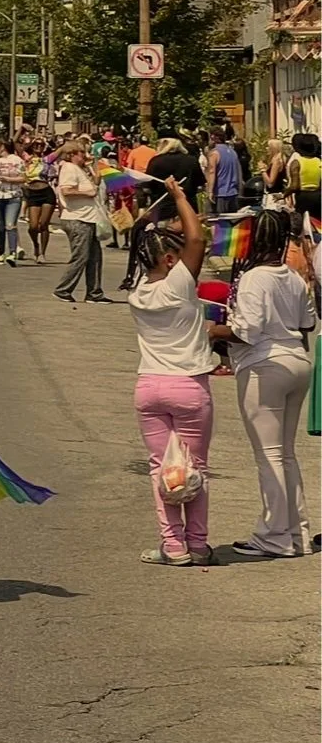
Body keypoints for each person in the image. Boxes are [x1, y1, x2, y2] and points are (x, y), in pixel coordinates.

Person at [210, 209, 315, 558]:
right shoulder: (293, 276)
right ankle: (296, 531)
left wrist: (210, 328)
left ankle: (274, 535)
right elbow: (307, 324)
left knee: (269, 456)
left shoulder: (255, 277)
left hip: (265, 365)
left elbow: (247, 331)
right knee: (284, 453)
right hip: (298, 363)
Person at [124, 179, 214, 565]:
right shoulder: (178, 285)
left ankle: (172, 545)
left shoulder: (139, 289)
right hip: (189, 385)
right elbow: (197, 241)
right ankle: (197, 543)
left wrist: (156, 219)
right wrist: (180, 197)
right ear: (170, 260)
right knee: (194, 468)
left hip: (149, 386)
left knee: (161, 469)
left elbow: (148, 236)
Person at [51, 143, 108, 305]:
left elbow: (96, 181)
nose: (85, 155)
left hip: (89, 218)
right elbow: (66, 191)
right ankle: (63, 289)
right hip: (77, 218)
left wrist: (93, 164)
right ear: (71, 154)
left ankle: (94, 292)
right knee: (81, 256)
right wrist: (87, 193)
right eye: (82, 153)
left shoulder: (80, 169)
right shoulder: (69, 168)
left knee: (95, 257)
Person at [0, 141, 25, 263]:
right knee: (0, 225)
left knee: (10, 224)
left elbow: (23, 178)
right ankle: (1, 252)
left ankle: (12, 253)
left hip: (13, 196)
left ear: (2, 147)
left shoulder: (17, 160)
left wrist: (8, 179)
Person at [21, 141, 55, 262]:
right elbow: (14, 141)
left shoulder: (47, 159)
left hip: (46, 192)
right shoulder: (26, 158)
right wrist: (22, 129)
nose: (38, 147)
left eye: (41, 145)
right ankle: (36, 245)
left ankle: (42, 254)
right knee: (33, 226)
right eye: (36, 144)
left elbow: (62, 150)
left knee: (44, 224)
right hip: (33, 193)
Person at [206, 126, 243, 217]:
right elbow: (238, 171)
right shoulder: (232, 152)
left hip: (220, 193)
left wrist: (210, 191)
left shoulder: (214, 153)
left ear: (213, 138)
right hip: (233, 192)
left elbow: (212, 172)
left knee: (218, 222)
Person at [288, 133, 322, 224]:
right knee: (318, 223)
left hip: (303, 197)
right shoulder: (319, 161)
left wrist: (284, 194)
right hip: (318, 196)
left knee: (303, 225)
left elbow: (294, 186)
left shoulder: (297, 162)